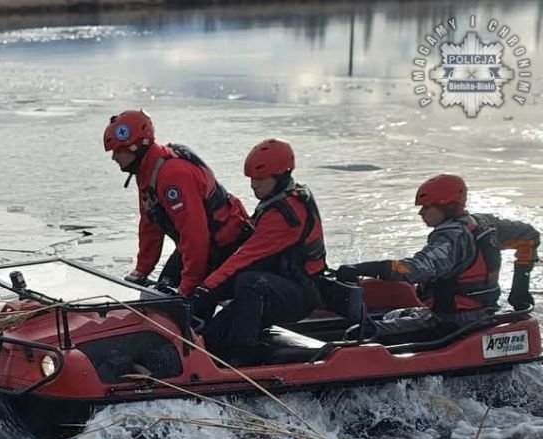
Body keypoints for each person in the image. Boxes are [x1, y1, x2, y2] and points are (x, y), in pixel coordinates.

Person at [335, 174, 524, 343]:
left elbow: (416, 269)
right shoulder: (484, 224)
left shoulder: (451, 238)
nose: (421, 213)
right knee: (391, 314)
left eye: (426, 207)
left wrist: (364, 268)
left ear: (446, 205)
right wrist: (521, 284)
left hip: (453, 322)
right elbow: (529, 236)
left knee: (358, 333)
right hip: (481, 313)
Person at [193, 138, 326, 365]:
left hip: (300, 293)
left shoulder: (286, 215)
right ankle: (197, 341)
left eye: (261, 179)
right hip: (278, 285)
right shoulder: (275, 200)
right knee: (213, 338)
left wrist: (207, 288)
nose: (254, 184)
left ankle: (246, 355)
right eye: (252, 178)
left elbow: (247, 256)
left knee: (248, 280)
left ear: (281, 176)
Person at [103, 109, 252, 296]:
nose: (114, 157)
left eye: (118, 151)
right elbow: (150, 225)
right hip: (200, 245)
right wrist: (142, 270)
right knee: (159, 294)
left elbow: (195, 234)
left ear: (136, 146)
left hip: (225, 247)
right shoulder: (147, 171)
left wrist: (188, 287)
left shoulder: (172, 176)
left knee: (180, 308)